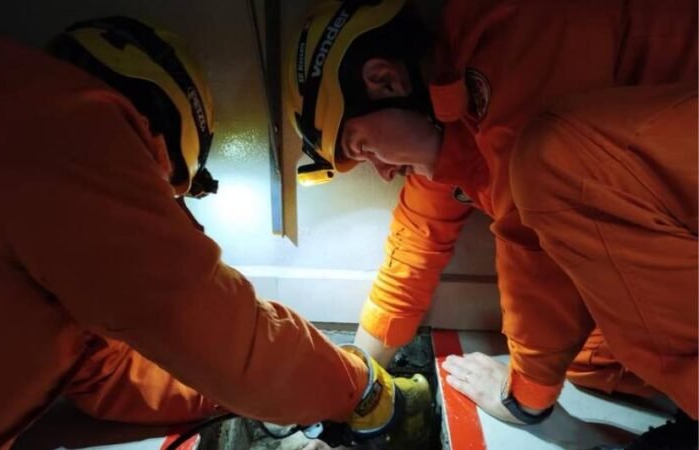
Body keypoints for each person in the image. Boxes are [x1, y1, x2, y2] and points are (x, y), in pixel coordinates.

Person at [0, 17, 431, 449]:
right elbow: (207, 326)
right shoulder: (67, 131)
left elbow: (104, 371)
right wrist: (358, 389)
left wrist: (239, 390)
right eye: (163, 192)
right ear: (157, 139)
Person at [286, 0, 697, 441]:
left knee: (550, 159)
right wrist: (358, 374)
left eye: (364, 147)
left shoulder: (516, 35)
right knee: (583, 357)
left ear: (385, 79)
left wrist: (523, 398)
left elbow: (530, 232)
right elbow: (415, 242)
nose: (383, 172)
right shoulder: (457, 111)